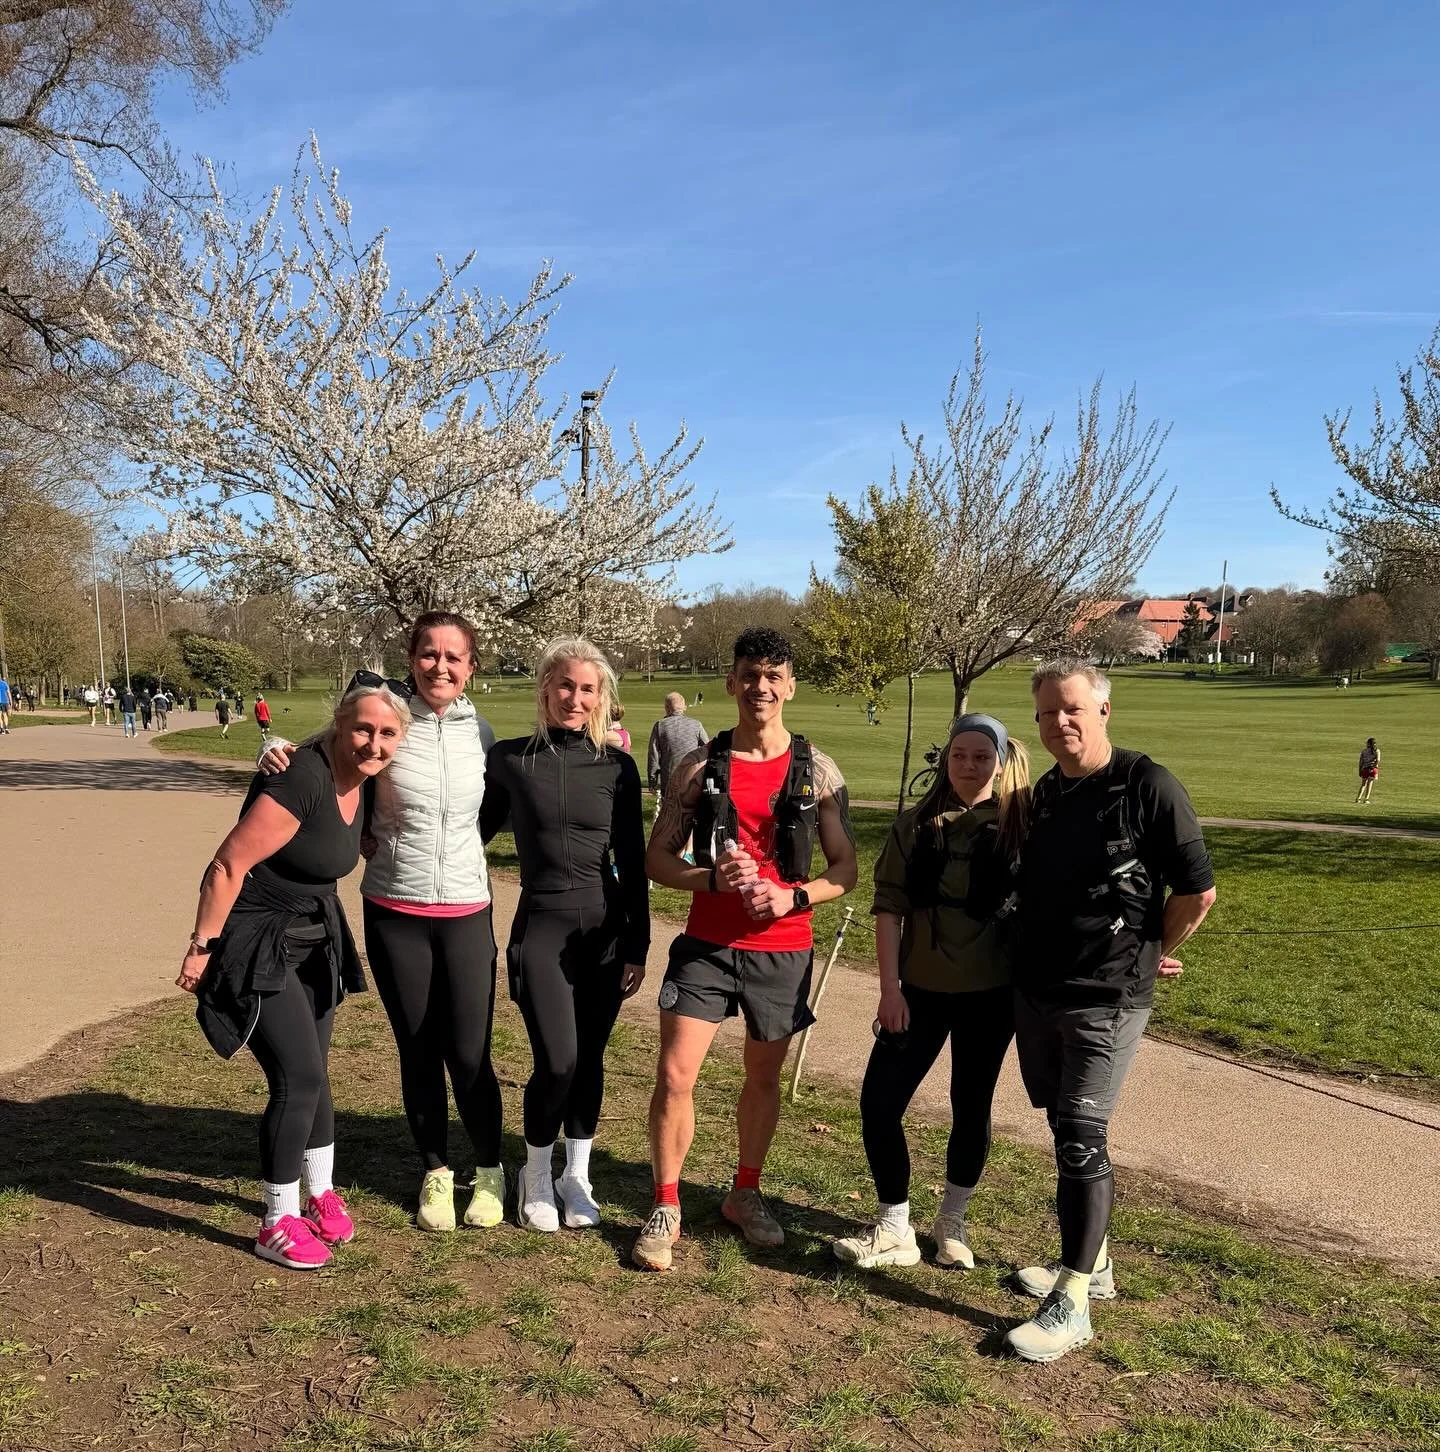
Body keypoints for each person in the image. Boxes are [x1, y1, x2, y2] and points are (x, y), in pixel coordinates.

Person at [259, 614, 505, 1233]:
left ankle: (492, 1171)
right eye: (429, 654)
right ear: (412, 657)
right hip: (396, 908)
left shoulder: (482, 730)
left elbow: (496, 809)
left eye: (454, 656)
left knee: (471, 1051)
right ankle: (436, 1171)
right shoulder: (387, 718)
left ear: (471, 666)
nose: (441, 667)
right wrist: (277, 750)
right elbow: (328, 753)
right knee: (419, 1048)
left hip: (468, 910)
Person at [1003, 660, 1215, 1363]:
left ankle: (1072, 1302)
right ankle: (1095, 1262)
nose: (1058, 722)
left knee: (1082, 1136)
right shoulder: (1046, 795)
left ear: (1103, 709)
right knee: (1063, 1123)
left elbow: (1197, 891)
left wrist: (1156, 949)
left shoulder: (1147, 786)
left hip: (1108, 996)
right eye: (1045, 714)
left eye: (1070, 709)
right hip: (1040, 991)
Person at [633, 627, 858, 1272]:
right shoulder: (697, 767)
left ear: (789, 685)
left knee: (762, 1077)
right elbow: (656, 858)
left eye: (774, 676)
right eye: (749, 675)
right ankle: (667, 1202)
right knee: (676, 1074)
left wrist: (794, 897)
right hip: (706, 942)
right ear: (731, 683)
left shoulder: (818, 772)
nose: (761, 687)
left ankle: (745, 1192)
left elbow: (845, 869)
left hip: (782, 948)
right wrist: (707, 879)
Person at [177, 680, 411, 1269]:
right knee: (298, 1080)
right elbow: (228, 863)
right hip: (258, 939)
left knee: (316, 1075)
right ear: (338, 724)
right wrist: (202, 945)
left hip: (314, 936)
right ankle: (276, 1221)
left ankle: (320, 1193)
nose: (373, 742)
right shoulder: (302, 775)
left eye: (386, 734)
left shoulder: (370, 779)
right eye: (362, 728)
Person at [832, 713, 1030, 1271]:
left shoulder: (1022, 824)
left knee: (972, 1106)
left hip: (990, 993)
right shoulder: (916, 824)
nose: (969, 767)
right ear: (946, 758)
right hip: (917, 990)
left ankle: (952, 1220)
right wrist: (889, 988)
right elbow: (888, 908)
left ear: (1000, 760)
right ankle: (895, 1224)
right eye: (959, 755)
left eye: (981, 757)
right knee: (879, 1103)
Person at [481, 637, 649, 1233]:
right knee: (558, 1059)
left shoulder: (617, 766)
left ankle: (576, 1173)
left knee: (591, 1058)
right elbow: (464, 828)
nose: (574, 698)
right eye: (564, 686)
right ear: (545, 688)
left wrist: (638, 944)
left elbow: (631, 858)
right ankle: (535, 1170)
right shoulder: (509, 760)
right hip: (543, 926)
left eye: (587, 689)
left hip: (604, 931)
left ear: (601, 697)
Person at [646, 693, 708, 807]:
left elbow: (653, 755)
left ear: (667, 708)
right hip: (692, 778)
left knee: (670, 815)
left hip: (669, 779)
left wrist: (652, 780)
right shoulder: (696, 725)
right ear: (684, 707)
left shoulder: (660, 726)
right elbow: (708, 748)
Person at [1356, 737, 1381, 803]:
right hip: (1373, 769)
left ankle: (1358, 798)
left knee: (1363, 784)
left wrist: (1360, 770)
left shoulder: (1364, 751)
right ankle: (1366, 799)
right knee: (1369, 784)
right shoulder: (1377, 751)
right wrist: (1373, 767)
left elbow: (1361, 762)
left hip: (1365, 769)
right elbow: (1378, 760)